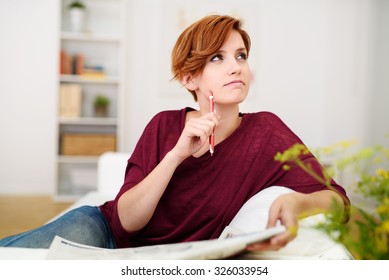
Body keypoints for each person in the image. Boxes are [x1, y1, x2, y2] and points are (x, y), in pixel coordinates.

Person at [0, 14, 349, 252]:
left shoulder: (267, 132)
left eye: (240, 56)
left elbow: (339, 201)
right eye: (217, 58)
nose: (235, 67)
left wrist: (297, 201)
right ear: (188, 78)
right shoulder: (164, 125)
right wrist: (176, 154)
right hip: (105, 233)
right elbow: (125, 223)